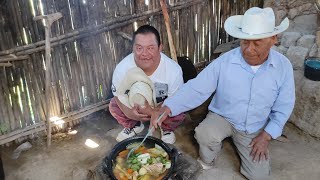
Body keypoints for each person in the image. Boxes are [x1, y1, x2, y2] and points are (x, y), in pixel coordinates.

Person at [151, 7, 295, 179]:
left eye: (257, 43)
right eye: (244, 42)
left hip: (254, 126)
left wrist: (267, 135)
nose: (249, 49)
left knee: (259, 176)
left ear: (273, 39)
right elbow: (197, 87)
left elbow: (284, 105)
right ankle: (207, 160)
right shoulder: (225, 61)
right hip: (223, 116)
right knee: (204, 133)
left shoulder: (283, 67)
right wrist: (168, 107)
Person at [109, 25, 185, 144]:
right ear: (133, 48)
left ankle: (166, 129)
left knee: (180, 107)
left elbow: (175, 98)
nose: (144, 54)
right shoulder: (122, 69)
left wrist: (156, 112)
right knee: (114, 105)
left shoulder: (173, 70)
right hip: (135, 108)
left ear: (160, 48)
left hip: (161, 107)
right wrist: (130, 114)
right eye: (139, 48)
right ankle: (134, 126)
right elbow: (117, 96)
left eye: (150, 48)